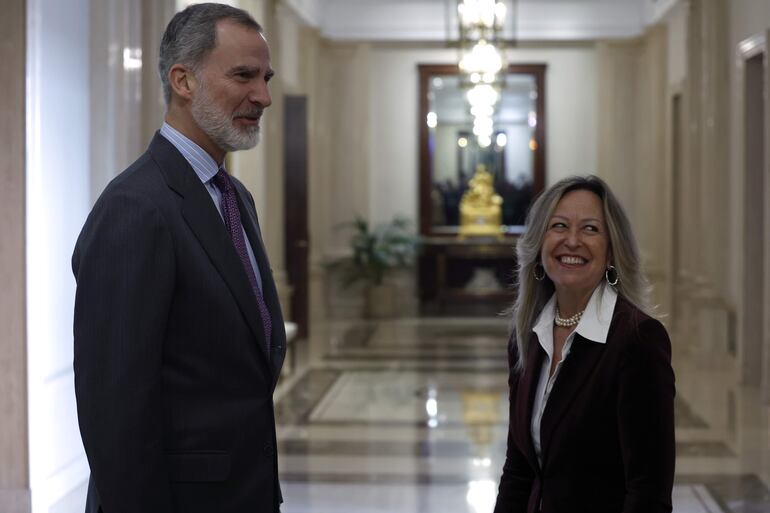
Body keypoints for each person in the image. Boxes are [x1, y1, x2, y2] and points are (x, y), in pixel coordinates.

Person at [72, 4, 285, 512]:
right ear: (183, 80)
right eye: (243, 76)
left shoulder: (234, 198)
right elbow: (114, 413)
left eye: (266, 77)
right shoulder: (135, 207)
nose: (263, 96)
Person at [493, 175, 675, 513]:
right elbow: (518, 470)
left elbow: (648, 492)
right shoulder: (527, 339)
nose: (572, 241)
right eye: (558, 226)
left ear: (611, 251)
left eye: (590, 229)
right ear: (538, 244)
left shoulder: (637, 341)